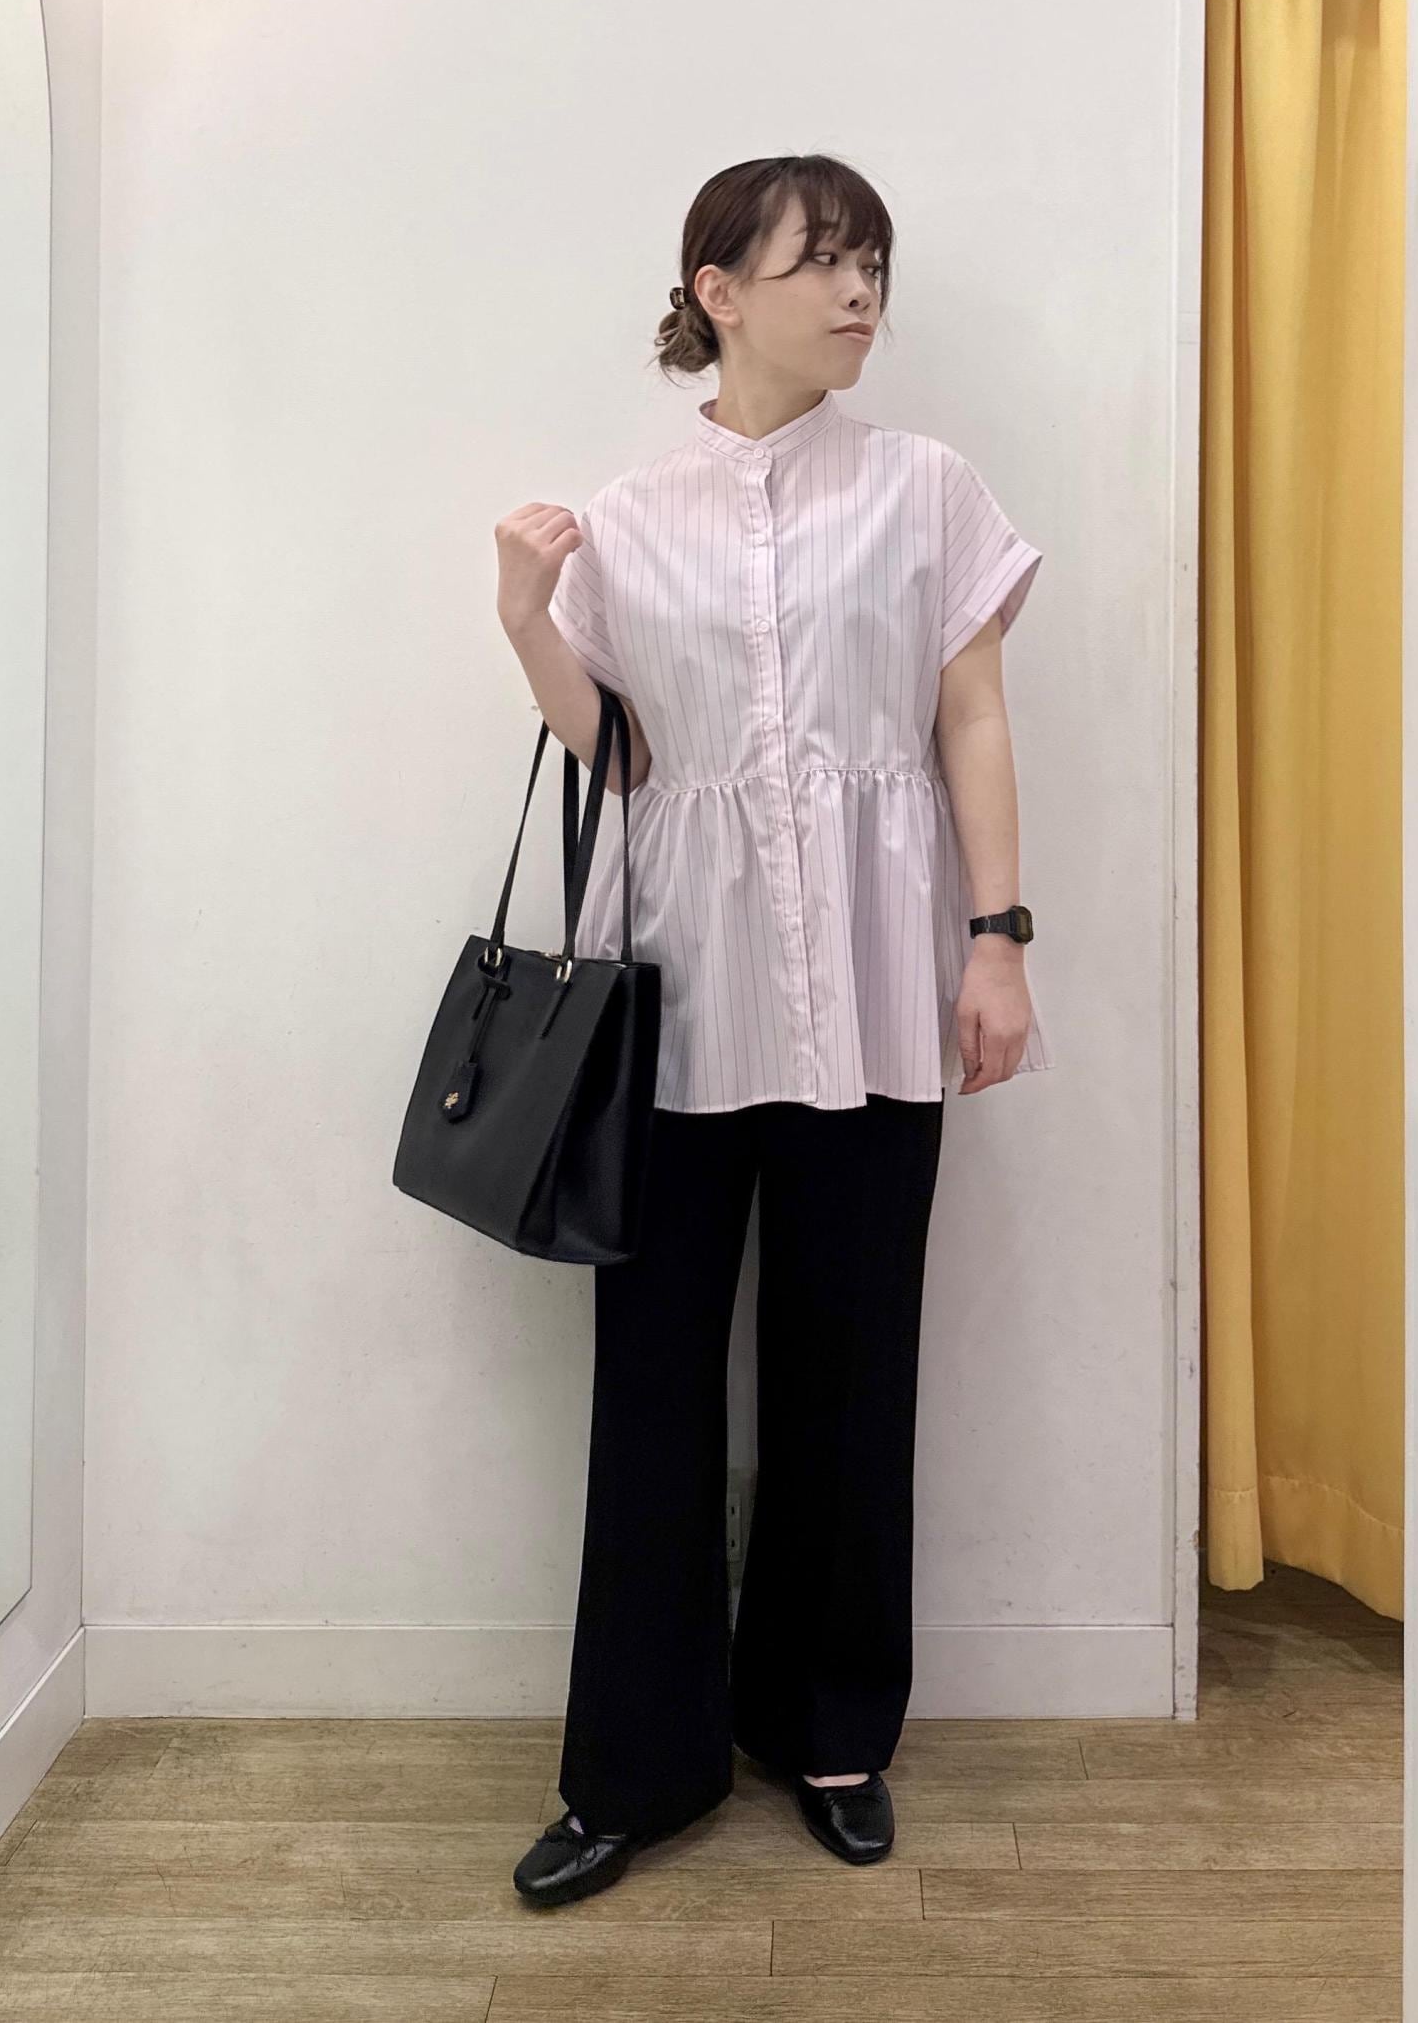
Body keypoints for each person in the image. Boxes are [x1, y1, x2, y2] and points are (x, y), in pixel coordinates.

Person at [494, 153, 1052, 1908]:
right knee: (652, 1389)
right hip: (675, 1000)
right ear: (719, 292)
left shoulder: (925, 488)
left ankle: (828, 1732)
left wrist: (998, 940)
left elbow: (972, 717)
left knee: (853, 1371)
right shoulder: (629, 515)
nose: (863, 293)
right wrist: (526, 619)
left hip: (883, 994)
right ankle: (634, 1769)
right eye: (825, 262)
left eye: (875, 263)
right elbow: (623, 757)